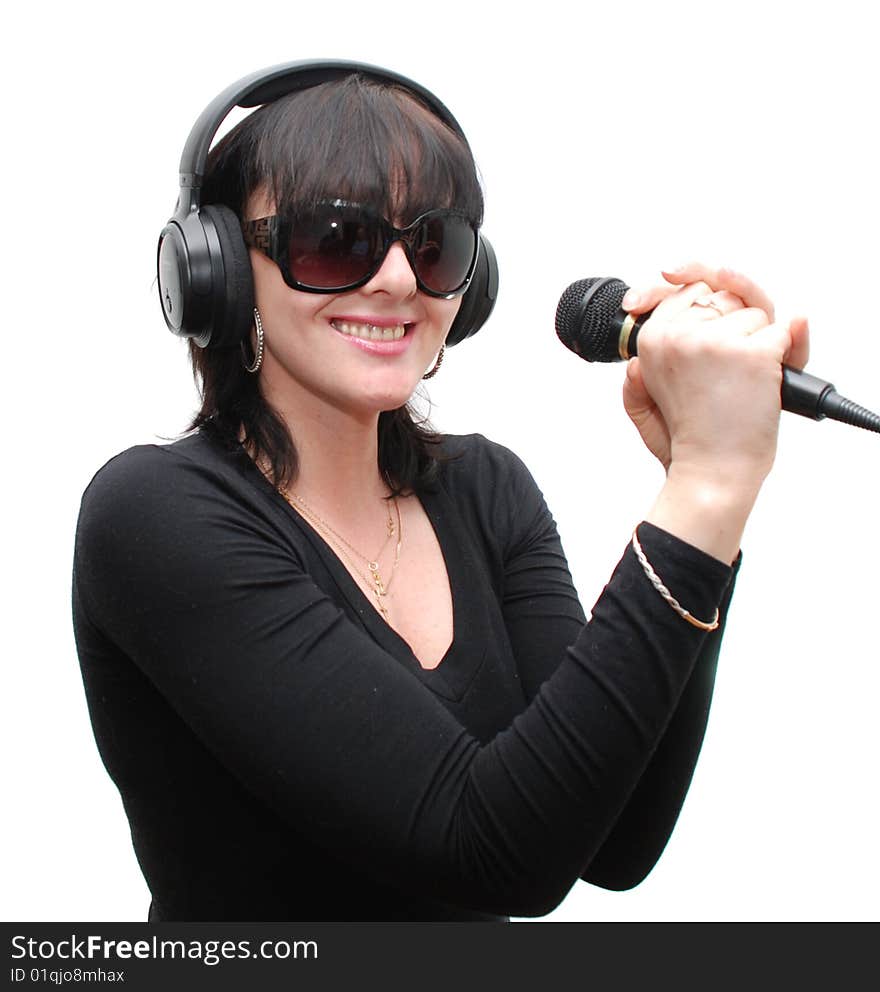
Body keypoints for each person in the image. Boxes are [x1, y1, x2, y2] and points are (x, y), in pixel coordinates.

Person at [71, 61, 810, 922]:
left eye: (432, 244)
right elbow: (487, 855)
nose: (393, 279)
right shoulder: (153, 513)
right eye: (334, 239)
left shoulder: (486, 489)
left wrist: (712, 503)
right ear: (222, 270)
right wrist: (704, 488)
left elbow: (615, 840)